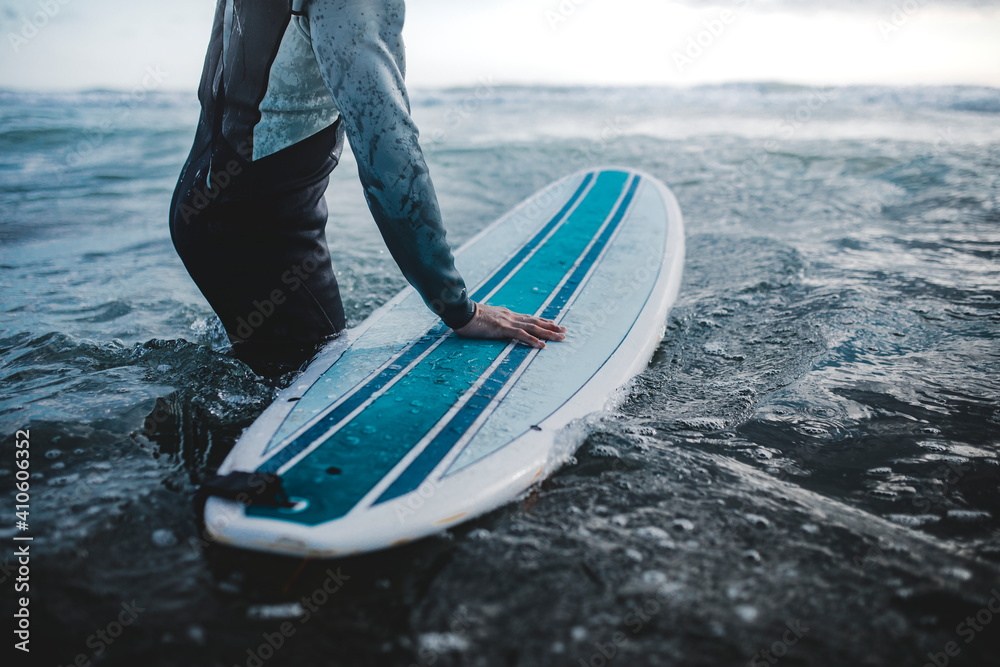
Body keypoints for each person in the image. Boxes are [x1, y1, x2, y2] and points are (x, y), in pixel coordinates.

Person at [169, 0, 565, 376]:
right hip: (262, 235)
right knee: (302, 401)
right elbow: (388, 154)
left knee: (260, 376)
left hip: (201, 200)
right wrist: (460, 309)